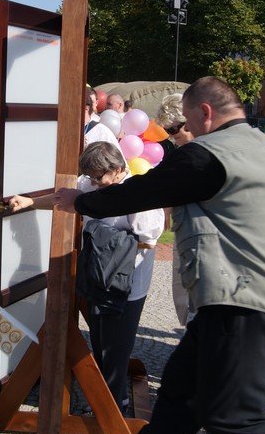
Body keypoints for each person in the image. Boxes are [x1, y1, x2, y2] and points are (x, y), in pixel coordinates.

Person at [56, 76, 265, 434]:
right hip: (249, 296)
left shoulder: (210, 153)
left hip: (238, 300)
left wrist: (80, 201)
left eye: (177, 126)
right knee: (179, 399)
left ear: (204, 112)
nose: (172, 137)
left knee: (234, 416)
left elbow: (144, 190)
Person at [10, 142, 164, 411]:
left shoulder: (138, 194)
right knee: (100, 337)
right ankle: (105, 395)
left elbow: (149, 240)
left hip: (126, 283)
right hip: (96, 275)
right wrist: (31, 202)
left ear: (118, 170)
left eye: (99, 178)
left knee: (116, 344)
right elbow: (65, 199)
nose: (94, 182)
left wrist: (103, 235)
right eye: (91, 178)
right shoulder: (92, 184)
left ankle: (115, 402)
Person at [154, 93, 195, 326]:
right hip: (184, 237)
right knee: (181, 297)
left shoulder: (213, 153)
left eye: (173, 130)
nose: (170, 137)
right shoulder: (180, 154)